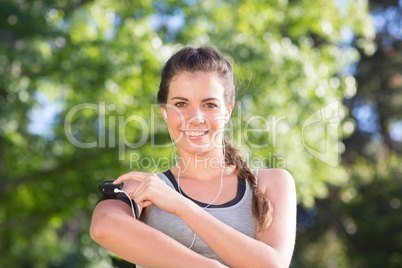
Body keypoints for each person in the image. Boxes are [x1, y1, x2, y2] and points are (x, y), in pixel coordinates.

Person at [90, 46, 297, 267]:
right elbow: (103, 227)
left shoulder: (270, 183)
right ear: (165, 112)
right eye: (181, 104)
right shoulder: (144, 187)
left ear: (227, 111)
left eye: (209, 104)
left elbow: (273, 265)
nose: (196, 117)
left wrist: (183, 206)